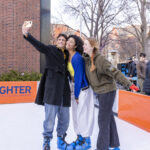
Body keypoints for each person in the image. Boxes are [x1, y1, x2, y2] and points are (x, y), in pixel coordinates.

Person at [83, 38, 139, 150]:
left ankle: (102, 147)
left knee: (102, 120)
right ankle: (114, 144)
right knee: (108, 117)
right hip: (100, 91)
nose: (83, 46)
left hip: (107, 91)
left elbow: (115, 72)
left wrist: (129, 84)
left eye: (85, 44)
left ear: (92, 47)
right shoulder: (87, 60)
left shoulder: (101, 60)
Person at [22, 22, 71, 150]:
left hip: (64, 91)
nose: (61, 41)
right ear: (56, 41)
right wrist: (27, 34)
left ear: (66, 43)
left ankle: (61, 139)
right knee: (49, 120)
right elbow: (38, 45)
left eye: (63, 40)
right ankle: (47, 141)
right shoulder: (50, 49)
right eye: (59, 39)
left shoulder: (67, 55)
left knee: (65, 120)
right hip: (52, 90)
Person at [66, 35, 95, 150]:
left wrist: (77, 94)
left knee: (82, 115)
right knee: (75, 115)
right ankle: (79, 138)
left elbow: (78, 77)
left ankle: (87, 140)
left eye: (71, 41)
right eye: (68, 40)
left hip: (82, 89)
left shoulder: (77, 58)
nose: (68, 42)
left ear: (75, 45)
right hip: (74, 87)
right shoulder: (67, 56)